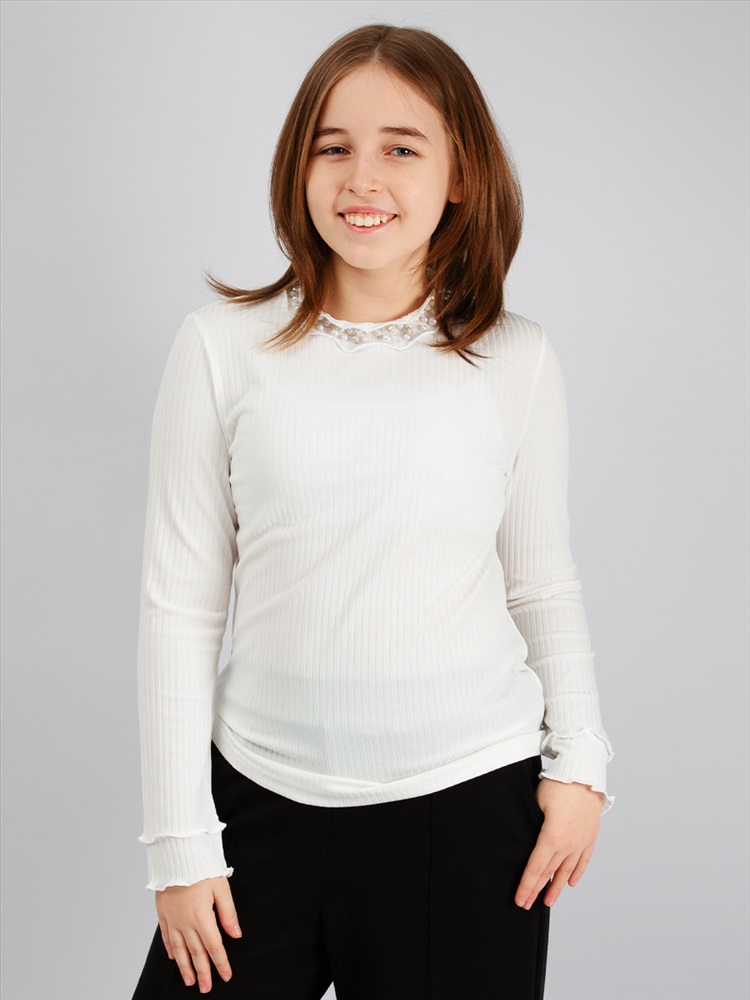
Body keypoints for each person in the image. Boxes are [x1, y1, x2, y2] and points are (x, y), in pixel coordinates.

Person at [132, 23, 614, 1000]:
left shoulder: (515, 358)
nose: (363, 178)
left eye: (401, 148)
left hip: (467, 810)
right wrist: (178, 842)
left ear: (460, 175)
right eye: (334, 146)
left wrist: (582, 763)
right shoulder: (221, 347)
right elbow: (179, 607)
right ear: (298, 166)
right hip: (259, 804)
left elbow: (539, 582)